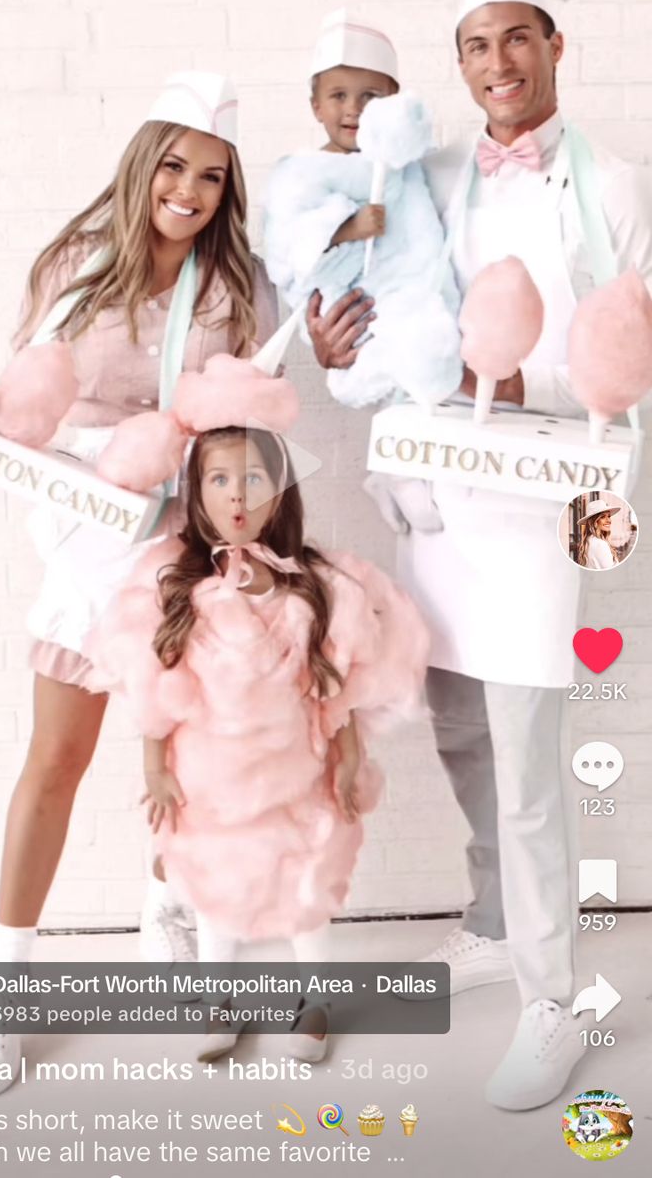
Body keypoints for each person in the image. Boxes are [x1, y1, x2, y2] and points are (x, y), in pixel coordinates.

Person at [305, 0, 652, 1111]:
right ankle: (495, 918)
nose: (495, 62)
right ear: (455, 65)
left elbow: (633, 368)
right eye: (473, 44)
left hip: (540, 497)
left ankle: (550, 1000)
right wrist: (333, 347)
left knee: (529, 765)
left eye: (516, 37)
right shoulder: (433, 173)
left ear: (557, 46)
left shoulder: (617, 188)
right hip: (438, 488)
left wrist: (610, 495)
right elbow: (382, 297)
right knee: (456, 724)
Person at [0, 72, 279, 1096]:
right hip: (83, 536)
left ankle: (179, 930)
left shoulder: (231, 289)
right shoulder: (73, 266)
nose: (189, 190)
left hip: (180, 544)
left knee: (192, 766)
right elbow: (20, 393)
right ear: (140, 164)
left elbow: (239, 421)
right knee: (56, 763)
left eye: (211, 176)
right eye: (174, 165)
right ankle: (1, 992)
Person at [84, 349, 429, 1064]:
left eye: (253, 478)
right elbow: (154, 689)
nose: (236, 496)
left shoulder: (311, 585)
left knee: (306, 883)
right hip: (210, 777)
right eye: (218, 479)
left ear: (280, 489)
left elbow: (339, 690)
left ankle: (314, 1000)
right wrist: (155, 767)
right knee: (215, 884)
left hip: (296, 775)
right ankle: (219, 998)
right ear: (197, 489)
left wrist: (349, 761)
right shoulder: (173, 588)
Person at [263, 7, 462, 410]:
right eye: (338, 96)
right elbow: (289, 249)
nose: (353, 109)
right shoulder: (303, 173)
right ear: (316, 105)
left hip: (411, 297)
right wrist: (348, 227)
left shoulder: (410, 168)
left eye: (370, 96)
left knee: (424, 339)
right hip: (350, 303)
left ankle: (424, 363)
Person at [575, 499, 620, 570]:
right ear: (594, 522)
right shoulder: (600, 544)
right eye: (602, 517)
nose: (609, 520)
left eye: (609, 516)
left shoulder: (589, 540)